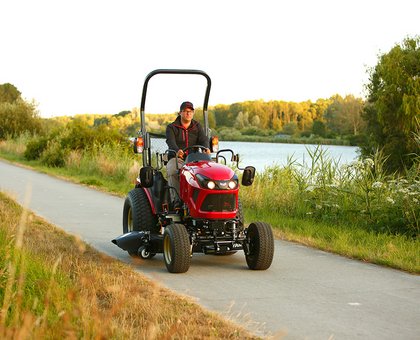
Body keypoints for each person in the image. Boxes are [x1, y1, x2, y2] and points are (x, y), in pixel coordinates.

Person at [166, 101, 210, 208]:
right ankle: (177, 201)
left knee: (207, 173)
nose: (188, 113)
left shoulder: (197, 126)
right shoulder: (172, 127)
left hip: (194, 159)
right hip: (177, 158)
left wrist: (206, 148)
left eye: (190, 111)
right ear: (180, 113)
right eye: (186, 111)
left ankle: (205, 202)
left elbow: (203, 139)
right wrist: (177, 150)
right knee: (173, 170)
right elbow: (170, 142)